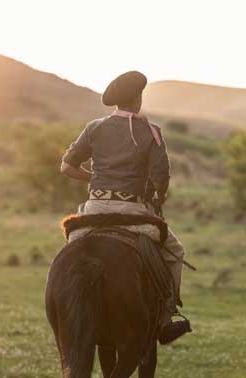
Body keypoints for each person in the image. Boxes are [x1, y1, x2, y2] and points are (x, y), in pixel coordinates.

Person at [60, 70, 191, 343]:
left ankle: (64, 309)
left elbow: (67, 167)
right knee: (176, 251)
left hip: (94, 209)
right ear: (137, 98)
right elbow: (161, 180)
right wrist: (157, 198)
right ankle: (166, 318)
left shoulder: (94, 128)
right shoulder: (151, 132)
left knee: (72, 249)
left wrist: (93, 178)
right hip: (134, 211)